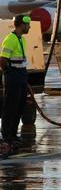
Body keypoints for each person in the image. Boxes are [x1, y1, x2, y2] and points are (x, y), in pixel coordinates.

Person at [1, 15, 32, 150]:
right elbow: (2, 60)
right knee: (10, 108)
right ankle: (7, 137)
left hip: (21, 76)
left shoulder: (22, 39)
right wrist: (10, 72)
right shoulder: (10, 39)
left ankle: (13, 136)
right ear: (21, 25)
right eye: (28, 25)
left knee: (19, 107)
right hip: (13, 76)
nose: (29, 27)